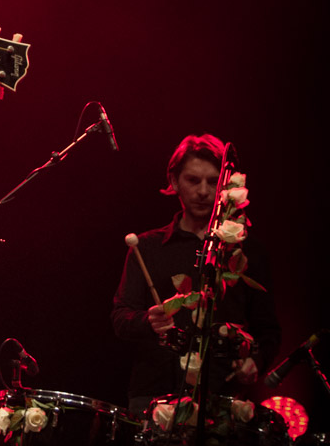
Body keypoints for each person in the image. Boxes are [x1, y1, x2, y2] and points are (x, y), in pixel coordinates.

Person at [111, 134, 281, 415]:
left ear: (225, 187)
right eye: (193, 180)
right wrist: (147, 321)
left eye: (213, 182)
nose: (203, 191)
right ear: (174, 181)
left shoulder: (248, 251)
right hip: (153, 396)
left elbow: (268, 330)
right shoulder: (147, 247)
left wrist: (256, 361)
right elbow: (120, 317)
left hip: (221, 400)